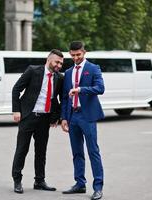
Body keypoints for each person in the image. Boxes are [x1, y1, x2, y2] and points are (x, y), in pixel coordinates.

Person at [11, 49, 64, 194]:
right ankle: (17, 180)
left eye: (61, 63)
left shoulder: (59, 77)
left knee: (41, 151)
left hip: (44, 119)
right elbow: (16, 89)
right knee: (22, 149)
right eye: (57, 62)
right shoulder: (33, 71)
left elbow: (58, 100)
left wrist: (55, 117)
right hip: (28, 116)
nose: (59, 65)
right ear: (49, 60)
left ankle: (39, 181)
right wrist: (16, 110)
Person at [61, 41, 105, 200]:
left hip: (88, 116)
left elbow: (100, 88)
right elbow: (65, 97)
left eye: (78, 55)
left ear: (84, 52)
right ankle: (80, 184)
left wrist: (80, 89)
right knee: (77, 152)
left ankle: (98, 187)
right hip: (73, 116)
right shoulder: (68, 72)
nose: (75, 58)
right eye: (72, 55)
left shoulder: (93, 68)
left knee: (93, 151)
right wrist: (64, 118)